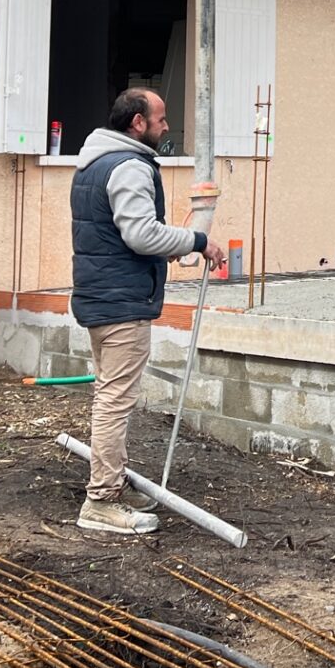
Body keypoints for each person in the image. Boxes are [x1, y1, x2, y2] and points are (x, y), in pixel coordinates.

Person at [69, 88, 225, 535]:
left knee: (109, 394)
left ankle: (113, 482)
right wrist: (197, 241)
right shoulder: (130, 166)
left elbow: (119, 232)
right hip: (121, 301)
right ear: (137, 122)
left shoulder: (94, 163)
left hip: (100, 294)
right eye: (160, 118)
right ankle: (101, 502)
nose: (166, 126)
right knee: (115, 400)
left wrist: (165, 246)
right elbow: (140, 235)